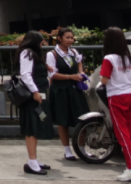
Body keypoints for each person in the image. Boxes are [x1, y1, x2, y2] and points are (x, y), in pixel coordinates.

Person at [100, 27, 131, 182]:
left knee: (122, 135)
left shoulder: (109, 58)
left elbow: (104, 80)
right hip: (130, 95)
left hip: (117, 97)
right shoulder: (126, 57)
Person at [46, 28, 88, 161]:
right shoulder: (52, 54)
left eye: (72, 37)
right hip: (60, 90)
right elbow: (52, 74)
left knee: (83, 118)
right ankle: (67, 150)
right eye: (67, 37)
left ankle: (82, 149)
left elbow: (79, 63)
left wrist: (80, 73)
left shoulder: (74, 51)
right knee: (62, 120)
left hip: (75, 89)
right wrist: (71, 77)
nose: (70, 40)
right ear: (59, 38)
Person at [18, 31, 55, 175]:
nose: (42, 44)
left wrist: (45, 67)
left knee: (36, 125)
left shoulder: (33, 55)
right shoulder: (27, 53)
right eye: (41, 41)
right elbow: (25, 74)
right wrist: (35, 91)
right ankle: (32, 161)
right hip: (33, 95)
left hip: (39, 93)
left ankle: (33, 160)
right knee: (32, 127)